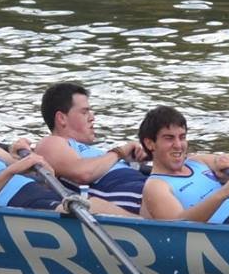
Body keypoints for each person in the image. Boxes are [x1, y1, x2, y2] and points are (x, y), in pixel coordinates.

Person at [135, 106, 229, 227]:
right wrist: (225, 191)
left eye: (182, 137)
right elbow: (179, 227)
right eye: (169, 138)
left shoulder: (198, 161)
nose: (178, 145)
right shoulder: (156, 185)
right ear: (150, 143)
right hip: (228, 227)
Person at [28, 81, 145, 215]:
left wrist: (139, 156)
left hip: (142, 185)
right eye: (84, 112)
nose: (92, 117)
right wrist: (119, 153)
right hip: (129, 193)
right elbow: (83, 173)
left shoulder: (97, 152)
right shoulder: (50, 143)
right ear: (61, 118)